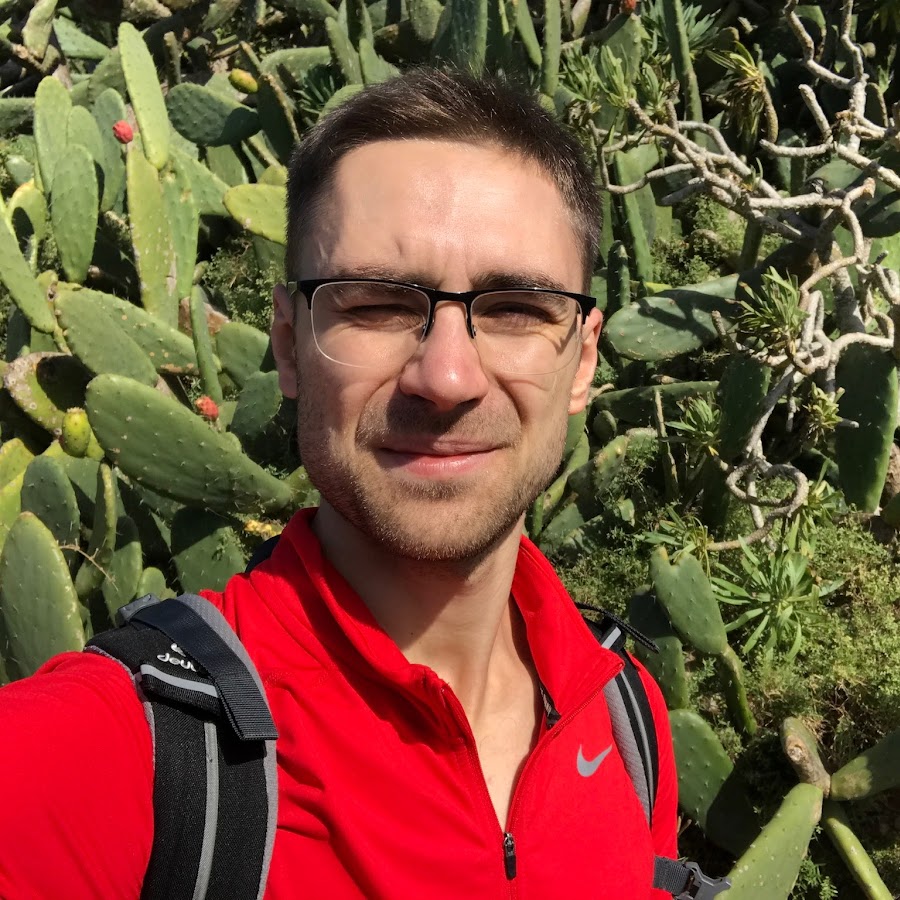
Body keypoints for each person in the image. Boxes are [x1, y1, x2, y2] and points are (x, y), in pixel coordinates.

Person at [0, 68, 677, 897]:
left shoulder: (625, 717)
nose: (448, 376)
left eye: (516, 309)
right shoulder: (119, 753)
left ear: (584, 359)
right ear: (289, 345)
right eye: (377, 304)